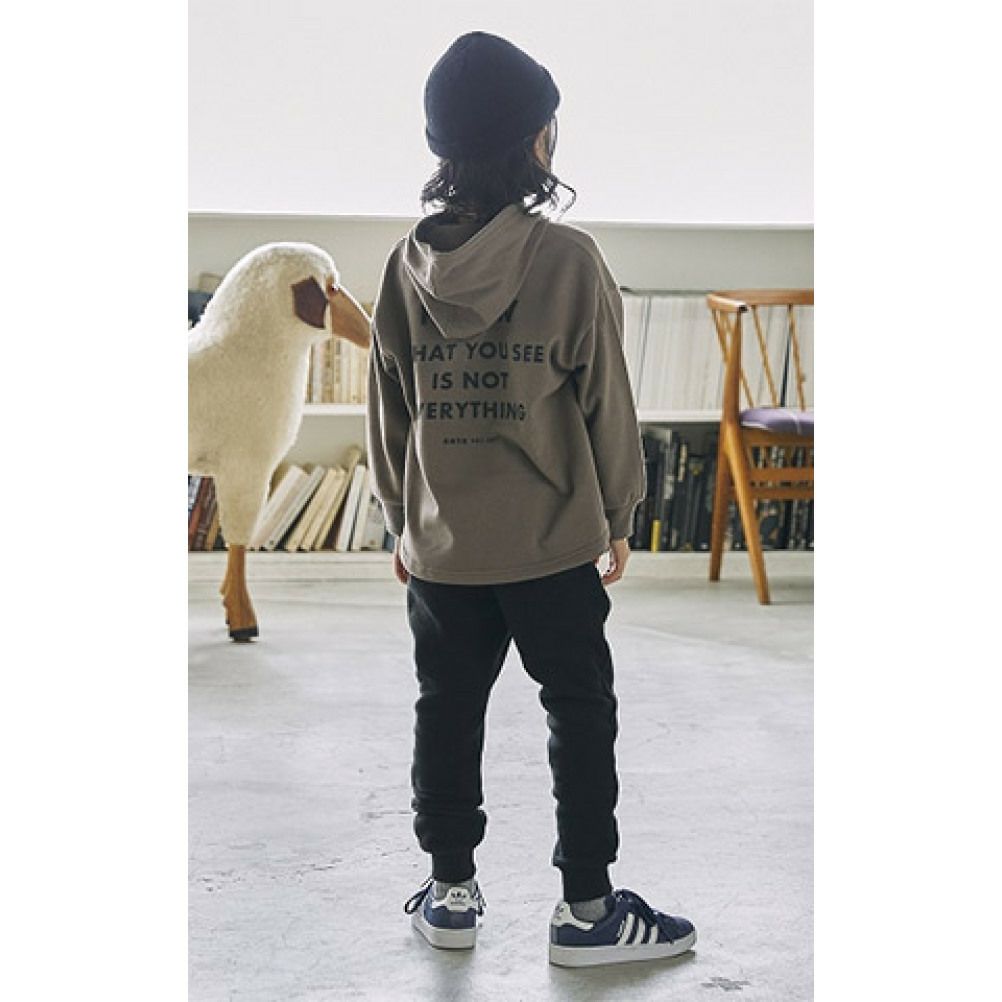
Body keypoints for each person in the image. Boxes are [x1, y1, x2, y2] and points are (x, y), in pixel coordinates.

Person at [364, 30, 696, 968]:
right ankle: (588, 910)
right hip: (552, 542)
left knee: (446, 706)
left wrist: (401, 520)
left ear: (442, 148)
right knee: (579, 707)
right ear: (537, 141)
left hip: (444, 547)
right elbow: (606, 405)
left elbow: (389, 410)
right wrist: (620, 515)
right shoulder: (570, 261)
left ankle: (450, 895)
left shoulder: (402, 268)